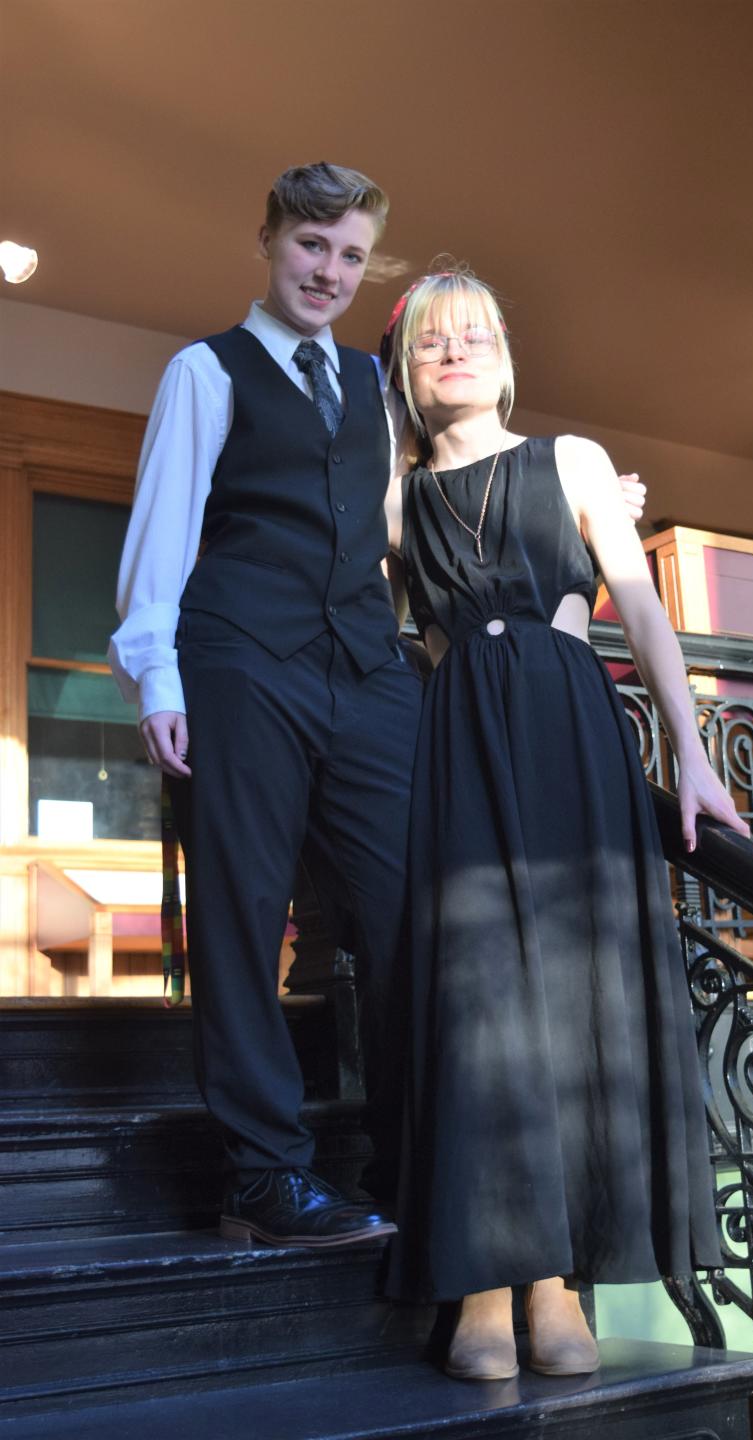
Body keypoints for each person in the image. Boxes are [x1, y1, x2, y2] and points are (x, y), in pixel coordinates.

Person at [109, 164, 647, 1250]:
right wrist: (155, 677)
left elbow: (449, 484)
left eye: (350, 255)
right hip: (241, 661)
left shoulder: (372, 387)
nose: (328, 271)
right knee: (242, 908)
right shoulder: (205, 373)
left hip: (364, 669)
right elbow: (160, 535)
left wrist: (590, 510)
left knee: (422, 905)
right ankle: (264, 1176)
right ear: (269, 240)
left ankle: (423, 1163)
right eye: (312, 246)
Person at [379, 270, 750, 1380]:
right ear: (406, 370)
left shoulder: (574, 461)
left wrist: (692, 755)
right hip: (454, 745)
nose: (458, 351)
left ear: (508, 352)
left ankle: (558, 1282)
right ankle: (488, 1280)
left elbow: (639, 608)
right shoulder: (393, 502)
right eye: (433, 341)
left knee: (573, 994)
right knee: (477, 995)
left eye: (477, 334)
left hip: (569, 730)